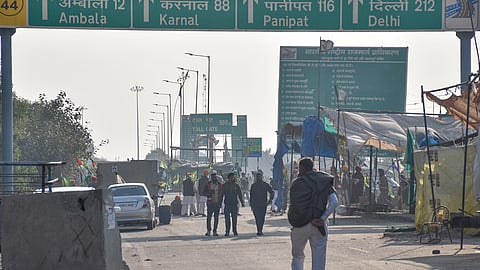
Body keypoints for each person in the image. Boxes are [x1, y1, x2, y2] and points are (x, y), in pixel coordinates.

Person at [288, 157, 338, 270]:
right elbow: (334, 202)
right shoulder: (324, 180)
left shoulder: (297, 183)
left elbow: (295, 206)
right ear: (312, 166)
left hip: (301, 224)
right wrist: (322, 218)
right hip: (320, 225)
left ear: (301, 168)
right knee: (319, 258)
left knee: (298, 256)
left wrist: (307, 218)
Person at [249, 169, 274, 236]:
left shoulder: (265, 185)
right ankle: (259, 230)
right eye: (257, 177)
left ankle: (260, 230)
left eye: (259, 176)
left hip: (263, 204)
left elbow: (272, 192)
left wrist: (270, 200)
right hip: (255, 204)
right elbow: (251, 196)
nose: (258, 178)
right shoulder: (253, 186)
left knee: (262, 218)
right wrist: (251, 205)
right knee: (257, 218)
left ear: (261, 177)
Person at [222, 172, 244, 236]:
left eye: (234, 177)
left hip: (234, 204)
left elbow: (240, 194)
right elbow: (221, 195)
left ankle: (234, 230)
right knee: (227, 219)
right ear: (229, 178)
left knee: (234, 218)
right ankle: (227, 231)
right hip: (227, 204)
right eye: (232, 177)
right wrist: (219, 203)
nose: (234, 178)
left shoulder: (236, 186)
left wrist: (242, 202)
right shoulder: (225, 185)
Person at [203, 170, 223, 236]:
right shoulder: (208, 185)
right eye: (213, 177)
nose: (214, 178)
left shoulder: (220, 185)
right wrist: (209, 193)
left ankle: (215, 230)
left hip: (217, 203)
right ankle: (208, 230)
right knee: (209, 217)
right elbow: (204, 193)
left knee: (216, 218)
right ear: (211, 178)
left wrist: (220, 203)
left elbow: (222, 194)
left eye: (215, 177)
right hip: (210, 203)